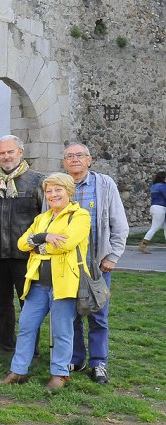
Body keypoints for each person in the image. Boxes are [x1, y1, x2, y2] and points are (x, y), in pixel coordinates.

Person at [0, 173, 91, 390]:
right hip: (37, 284)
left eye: (58, 190)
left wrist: (38, 244)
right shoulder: (42, 218)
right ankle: (18, 371)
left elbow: (66, 244)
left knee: (62, 331)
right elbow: (22, 243)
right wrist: (44, 237)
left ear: (69, 191)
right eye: (49, 191)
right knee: (26, 327)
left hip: (64, 284)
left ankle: (60, 375)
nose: (53, 194)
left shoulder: (80, 216)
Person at [63, 143, 128, 384]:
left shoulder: (104, 185)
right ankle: (76, 357)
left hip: (96, 263)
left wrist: (113, 256)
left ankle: (99, 362)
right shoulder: (59, 185)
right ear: (64, 162)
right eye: (69, 156)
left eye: (79, 155)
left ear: (89, 160)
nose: (74, 160)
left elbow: (119, 223)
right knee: (72, 314)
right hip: (67, 263)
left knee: (98, 314)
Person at [0, 135, 44, 356]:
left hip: (26, 255)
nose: (6, 156)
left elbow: (44, 218)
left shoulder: (37, 181)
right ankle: (5, 344)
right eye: (2, 153)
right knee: (1, 303)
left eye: (10, 152)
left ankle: (31, 349)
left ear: (20, 152)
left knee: (29, 304)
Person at [139, 170, 166, 253]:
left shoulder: (154, 186)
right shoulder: (163, 186)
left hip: (155, 207)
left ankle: (144, 244)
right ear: (163, 178)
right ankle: (143, 244)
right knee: (155, 228)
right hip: (161, 208)